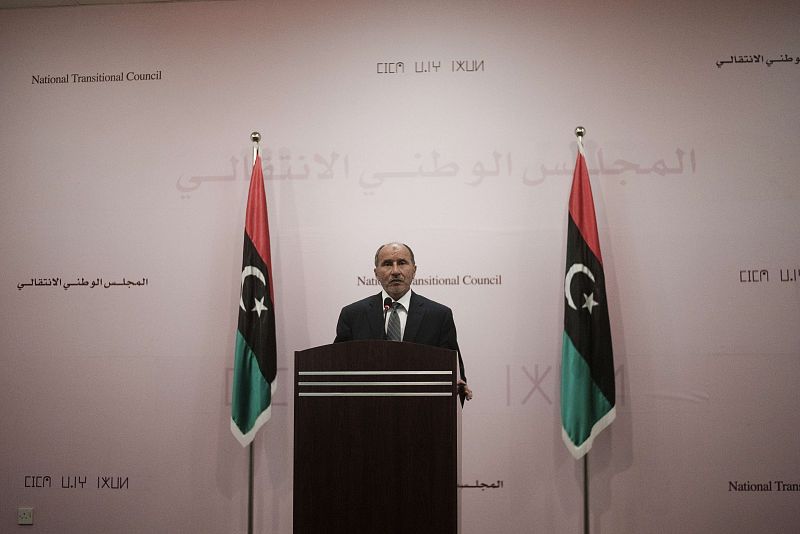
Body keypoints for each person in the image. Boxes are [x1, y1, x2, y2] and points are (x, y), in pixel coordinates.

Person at [335, 242, 473, 401]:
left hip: (423, 415)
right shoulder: (353, 315)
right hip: (366, 412)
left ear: (414, 270)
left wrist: (458, 387)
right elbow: (339, 371)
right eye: (387, 264)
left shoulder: (439, 315)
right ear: (376, 273)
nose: (395, 271)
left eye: (402, 263)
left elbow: (454, 374)